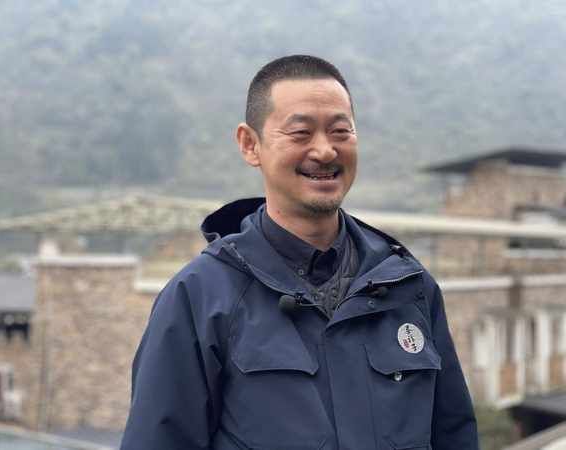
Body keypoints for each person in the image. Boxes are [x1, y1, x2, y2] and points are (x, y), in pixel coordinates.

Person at [120, 55, 479, 450]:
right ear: (250, 144)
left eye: (340, 131)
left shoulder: (408, 286)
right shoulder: (200, 296)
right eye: (301, 133)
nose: (325, 151)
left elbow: (455, 435)